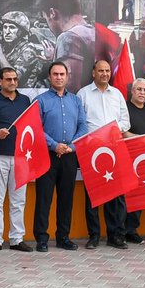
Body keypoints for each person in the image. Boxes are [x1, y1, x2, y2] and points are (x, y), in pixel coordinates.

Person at [34, 61, 88, 251]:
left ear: (67, 77)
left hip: (69, 156)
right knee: (44, 198)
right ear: (50, 77)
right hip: (47, 155)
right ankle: (41, 238)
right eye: (55, 74)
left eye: (62, 74)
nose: (59, 77)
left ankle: (63, 237)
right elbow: (36, 128)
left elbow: (83, 127)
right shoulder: (40, 101)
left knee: (66, 198)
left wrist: (71, 147)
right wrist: (54, 145)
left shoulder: (75, 101)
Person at [78, 59, 131, 249]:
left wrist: (114, 130)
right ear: (93, 73)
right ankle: (94, 236)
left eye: (107, 70)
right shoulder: (83, 94)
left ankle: (116, 236)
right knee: (93, 195)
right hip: (92, 151)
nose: (105, 74)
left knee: (116, 195)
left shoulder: (117, 94)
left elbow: (125, 121)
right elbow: (80, 122)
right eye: (101, 70)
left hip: (115, 149)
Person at [0, 67, 34, 253]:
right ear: (0, 81)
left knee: (18, 200)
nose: (12, 82)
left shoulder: (25, 101)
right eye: (8, 79)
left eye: (15, 79)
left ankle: (16, 239)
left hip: (21, 157)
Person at [124, 78, 145, 244]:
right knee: (125, 198)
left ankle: (131, 230)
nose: (142, 93)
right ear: (132, 91)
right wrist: (141, 139)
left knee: (140, 197)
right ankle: (121, 231)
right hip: (127, 159)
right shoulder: (124, 108)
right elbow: (122, 132)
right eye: (139, 89)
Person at [39, 0, 93, 88]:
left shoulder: (68, 37)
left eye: (46, 19)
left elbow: (68, 86)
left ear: (52, 13)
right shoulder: (93, 32)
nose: (48, 25)